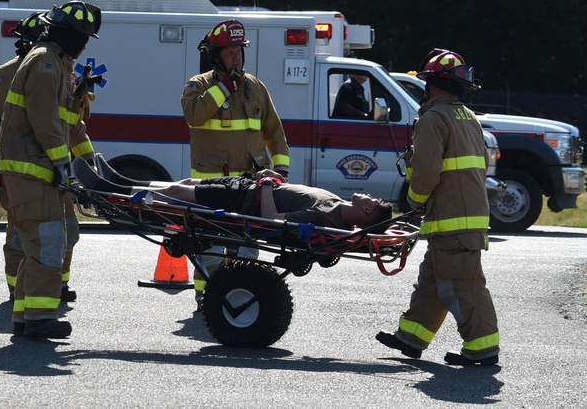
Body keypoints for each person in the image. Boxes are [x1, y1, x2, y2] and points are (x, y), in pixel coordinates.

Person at [375, 48, 500, 366]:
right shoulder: (466, 117)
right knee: (433, 277)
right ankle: (411, 337)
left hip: (451, 219)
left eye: (427, 83)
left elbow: (427, 171)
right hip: (463, 217)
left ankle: (482, 346)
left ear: (434, 85)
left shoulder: (433, 118)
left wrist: (415, 201)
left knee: (462, 282)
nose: (425, 90)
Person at [0, 0, 100, 340]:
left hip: (37, 170)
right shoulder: (44, 63)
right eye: (82, 37)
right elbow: (44, 122)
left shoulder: (54, 62)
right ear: (68, 35)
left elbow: (63, 122)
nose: (85, 45)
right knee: (47, 240)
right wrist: (62, 165)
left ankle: (26, 316)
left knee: (42, 242)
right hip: (33, 169)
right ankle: (40, 318)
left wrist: (77, 99)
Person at [180, 19, 291, 303]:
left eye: (239, 51)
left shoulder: (256, 87)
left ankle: (238, 296)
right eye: (230, 52)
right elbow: (194, 116)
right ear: (215, 56)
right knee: (212, 247)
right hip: (212, 187)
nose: (237, 57)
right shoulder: (198, 86)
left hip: (251, 186)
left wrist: (280, 170)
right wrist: (224, 89)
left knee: (246, 246)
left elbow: (274, 132)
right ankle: (207, 300)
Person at [76, 158, 393, 231]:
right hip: (246, 188)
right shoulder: (334, 204)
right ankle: (118, 180)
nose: (368, 196)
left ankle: (105, 189)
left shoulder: (326, 218)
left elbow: (272, 219)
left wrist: (267, 186)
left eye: (373, 201)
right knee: (186, 182)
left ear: (366, 212)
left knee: (176, 192)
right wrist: (270, 180)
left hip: (243, 200)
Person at [0, 12, 45, 301]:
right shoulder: (4, 75)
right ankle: (15, 286)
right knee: (20, 229)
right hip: (15, 169)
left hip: (47, 167)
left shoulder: (53, 70)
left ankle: (51, 284)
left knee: (54, 229)